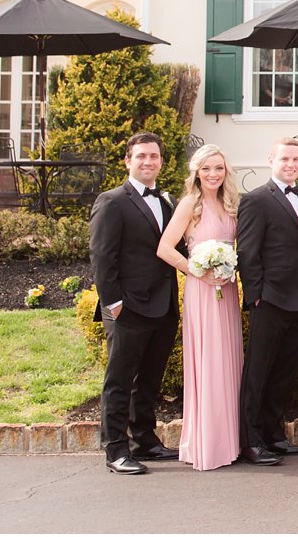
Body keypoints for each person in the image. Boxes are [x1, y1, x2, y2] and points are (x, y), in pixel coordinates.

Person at [90, 131, 180, 475]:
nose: (148, 162)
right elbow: (102, 256)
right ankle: (115, 448)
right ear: (128, 160)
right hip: (128, 307)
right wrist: (113, 304)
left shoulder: (166, 202)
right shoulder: (112, 201)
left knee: (150, 378)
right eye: (141, 156)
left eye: (154, 156)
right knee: (120, 379)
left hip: (163, 306)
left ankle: (144, 438)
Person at [156, 143, 242, 471]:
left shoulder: (231, 203)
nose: (213, 174)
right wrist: (196, 269)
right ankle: (208, 444)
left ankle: (229, 441)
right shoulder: (189, 205)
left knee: (228, 359)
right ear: (196, 172)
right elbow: (165, 248)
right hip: (202, 291)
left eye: (218, 168)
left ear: (225, 172)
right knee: (208, 361)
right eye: (206, 169)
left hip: (227, 289)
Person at [237, 137, 298, 466]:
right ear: (271, 160)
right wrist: (256, 295)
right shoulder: (256, 200)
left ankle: (274, 434)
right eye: (284, 158)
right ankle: (251, 440)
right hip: (270, 299)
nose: (291, 164)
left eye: (296, 159)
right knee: (259, 372)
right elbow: (247, 250)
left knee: (284, 371)